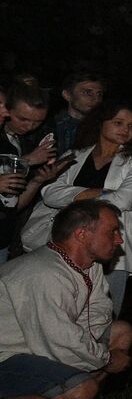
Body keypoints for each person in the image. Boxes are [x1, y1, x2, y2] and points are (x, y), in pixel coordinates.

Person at [0, 202, 132, 399]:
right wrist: (107, 360)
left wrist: (96, 354)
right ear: (82, 234)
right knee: (80, 391)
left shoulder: (89, 266)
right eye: (112, 231)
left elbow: (98, 311)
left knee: (121, 331)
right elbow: (59, 340)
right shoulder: (45, 273)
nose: (119, 239)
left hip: (33, 345)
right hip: (6, 355)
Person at [23, 103, 132, 317]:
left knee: (104, 315)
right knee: (60, 309)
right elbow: (50, 193)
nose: (125, 130)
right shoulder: (76, 153)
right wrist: (98, 192)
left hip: (110, 245)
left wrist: (73, 193)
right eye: (118, 123)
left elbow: (124, 200)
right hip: (70, 242)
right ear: (101, 123)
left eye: (131, 125)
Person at [2, 83, 62, 266]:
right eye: (23, 119)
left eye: (37, 122)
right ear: (7, 109)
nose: (29, 126)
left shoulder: (23, 142)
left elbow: (13, 204)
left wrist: (38, 180)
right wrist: (28, 160)